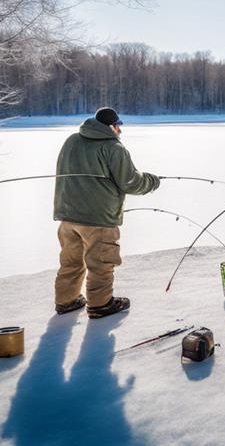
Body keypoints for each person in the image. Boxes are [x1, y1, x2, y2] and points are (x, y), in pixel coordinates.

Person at [53, 107, 160, 319]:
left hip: (67, 215)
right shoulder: (114, 148)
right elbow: (130, 182)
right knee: (101, 262)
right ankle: (100, 304)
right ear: (110, 126)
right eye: (117, 126)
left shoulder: (72, 140)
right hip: (98, 218)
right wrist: (152, 181)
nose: (120, 130)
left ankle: (66, 301)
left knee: (70, 260)